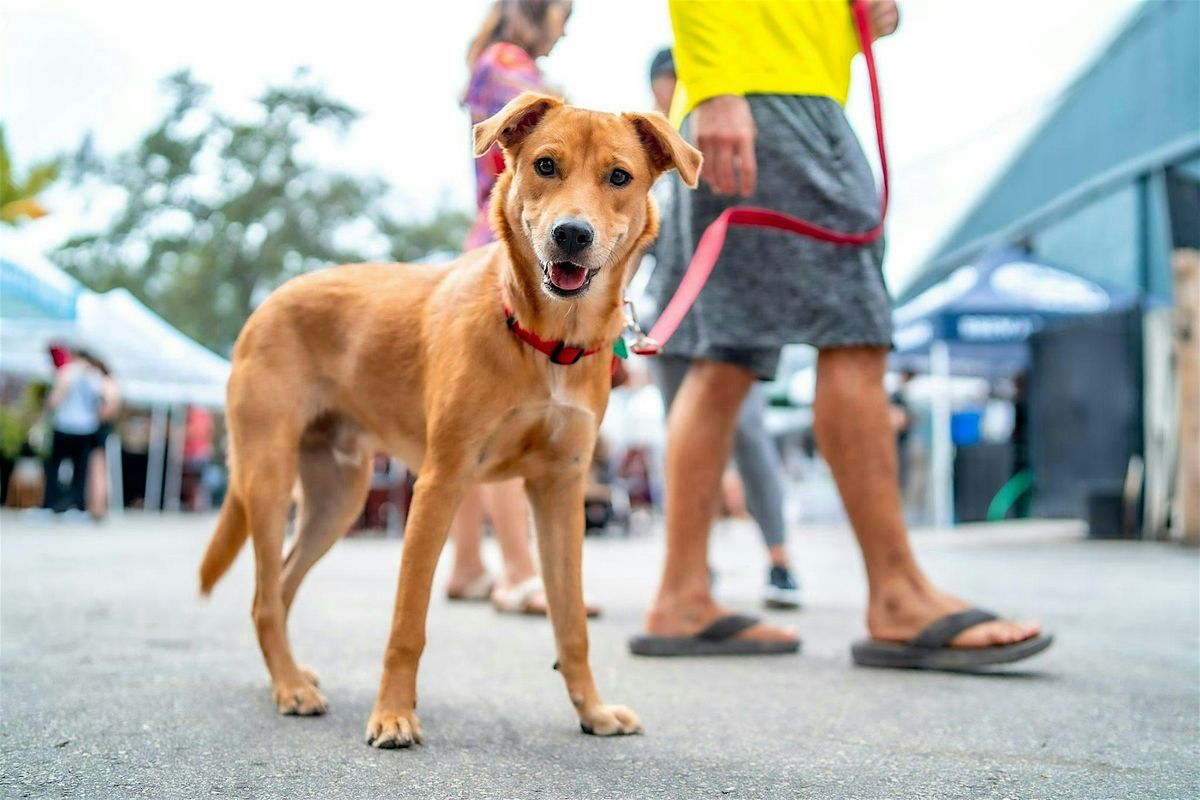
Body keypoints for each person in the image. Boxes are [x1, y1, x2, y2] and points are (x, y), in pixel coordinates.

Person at [631, 0, 1050, 668]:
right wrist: (715, 84)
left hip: (757, 94)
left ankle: (682, 595)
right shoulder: (735, 89)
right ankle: (899, 594)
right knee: (853, 336)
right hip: (768, 102)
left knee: (725, 356)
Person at [446, 0, 597, 617]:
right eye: (564, 12)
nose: (567, 26)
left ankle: (466, 566)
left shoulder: (490, 63)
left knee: (465, 421)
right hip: (508, 249)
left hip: (491, 244)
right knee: (516, 409)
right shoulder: (508, 64)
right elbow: (557, 133)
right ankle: (517, 571)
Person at [643, 47, 801, 609]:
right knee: (682, 440)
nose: (671, 89)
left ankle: (779, 558)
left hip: (730, 305)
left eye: (677, 79)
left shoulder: (724, 133)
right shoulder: (642, 155)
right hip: (671, 312)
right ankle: (692, 566)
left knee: (750, 433)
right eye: (665, 82)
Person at [43, 348, 118, 517]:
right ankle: (77, 505)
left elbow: (55, 399)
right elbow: (107, 402)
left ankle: (52, 504)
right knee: (81, 469)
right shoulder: (96, 376)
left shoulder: (67, 371)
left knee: (55, 467)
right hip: (87, 427)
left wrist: (49, 409)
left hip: (64, 425)